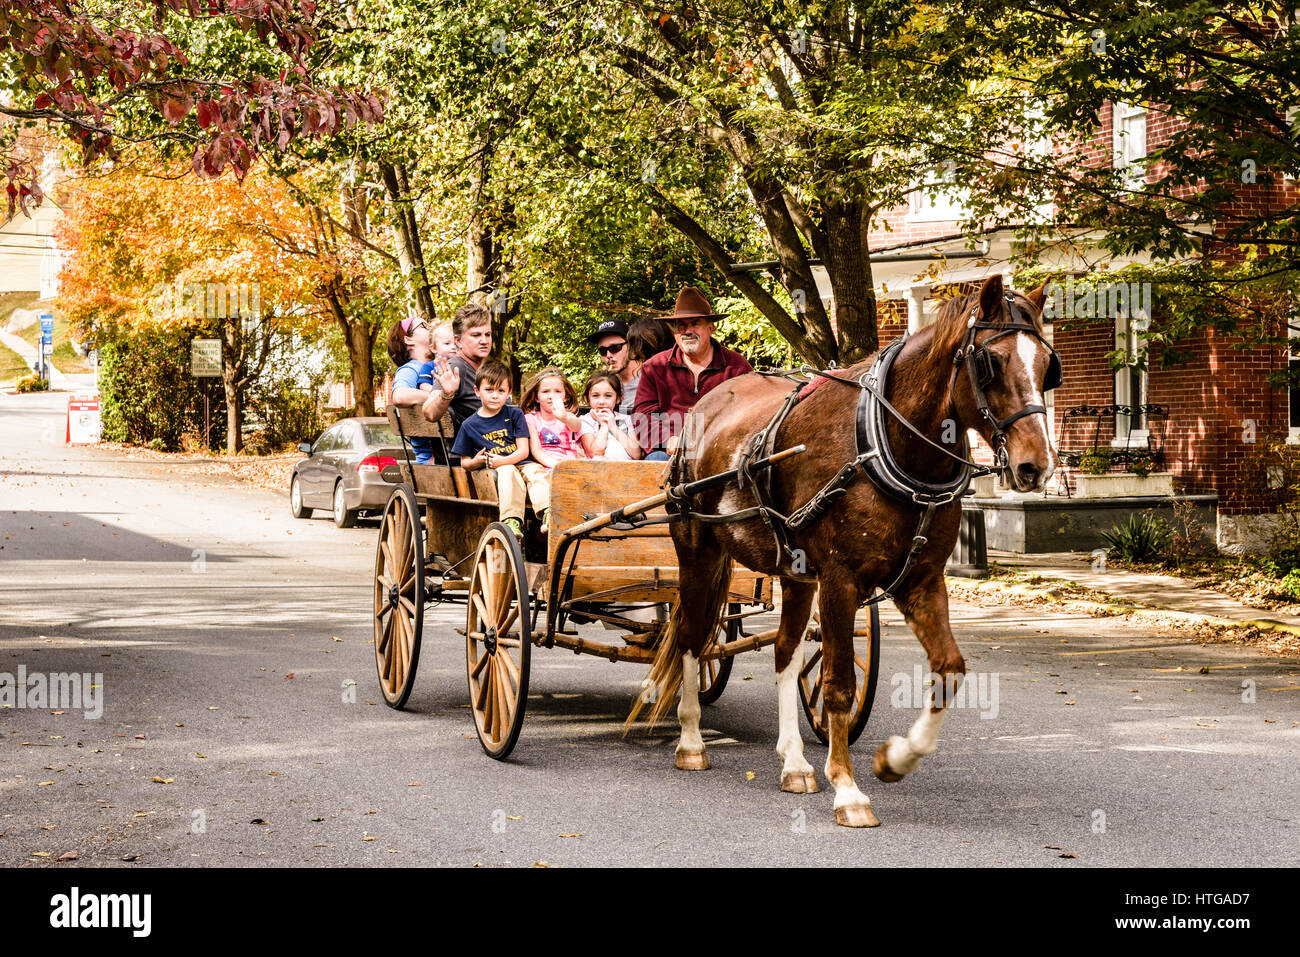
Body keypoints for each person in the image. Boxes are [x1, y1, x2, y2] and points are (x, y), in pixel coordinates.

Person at [633, 286, 753, 461]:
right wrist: (667, 440)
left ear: (711, 328)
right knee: (655, 461)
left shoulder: (737, 367)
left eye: (695, 323)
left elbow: (751, 410)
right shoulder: (655, 367)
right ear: (675, 333)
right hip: (670, 453)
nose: (687, 331)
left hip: (722, 451)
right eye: (681, 326)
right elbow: (643, 414)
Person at [449, 359, 535, 541]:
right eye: (489, 390)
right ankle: (511, 520)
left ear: (508, 393)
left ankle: (547, 512)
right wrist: (476, 462)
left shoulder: (515, 414)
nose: (495, 396)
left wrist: (502, 460)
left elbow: (523, 451)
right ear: (477, 391)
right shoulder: (469, 425)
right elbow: (464, 462)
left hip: (522, 462)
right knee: (507, 471)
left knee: (538, 472)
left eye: (501, 391)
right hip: (500, 470)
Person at [520, 367, 585, 533]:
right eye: (545, 391)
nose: (551, 396)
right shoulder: (531, 419)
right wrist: (555, 466)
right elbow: (536, 450)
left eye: (557, 391)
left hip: (570, 463)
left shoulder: (569, 417)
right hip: (547, 464)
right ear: (536, 396)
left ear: (566, 396)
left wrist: (562, 415)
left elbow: (576, 425)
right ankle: (551, 516)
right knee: (544, 479)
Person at [418, 302, 494, 431]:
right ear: (458, 341)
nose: (484, 341)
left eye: (487, 334)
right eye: (476, 335)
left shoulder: (483, 369)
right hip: (475, 449)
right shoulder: (456, 368)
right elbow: (429, 412)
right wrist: (446, 394)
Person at [386, 314, 447, 464]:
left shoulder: (440, 366)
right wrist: (442, 396)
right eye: (424, 326)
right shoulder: (412, 368)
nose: (431, 327)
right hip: (434, 458)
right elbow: (399, 396)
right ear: (408, 339)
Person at [578, 371, 643, 461]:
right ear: (588, 398)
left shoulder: (626, 419)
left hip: (626, 470)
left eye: (608, 396)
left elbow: (636, 454)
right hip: (598, 471)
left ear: (618, 398)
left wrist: (613, 426)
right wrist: (604, 424)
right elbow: (594, 453)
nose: (601, 401)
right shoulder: (585, 421)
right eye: (595, 396)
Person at [587, 318, 641, 415]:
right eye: (603, 351)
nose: (608, 355)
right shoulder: (606, 383)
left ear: (631, 346)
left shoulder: (650, 377)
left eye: (615, 348)